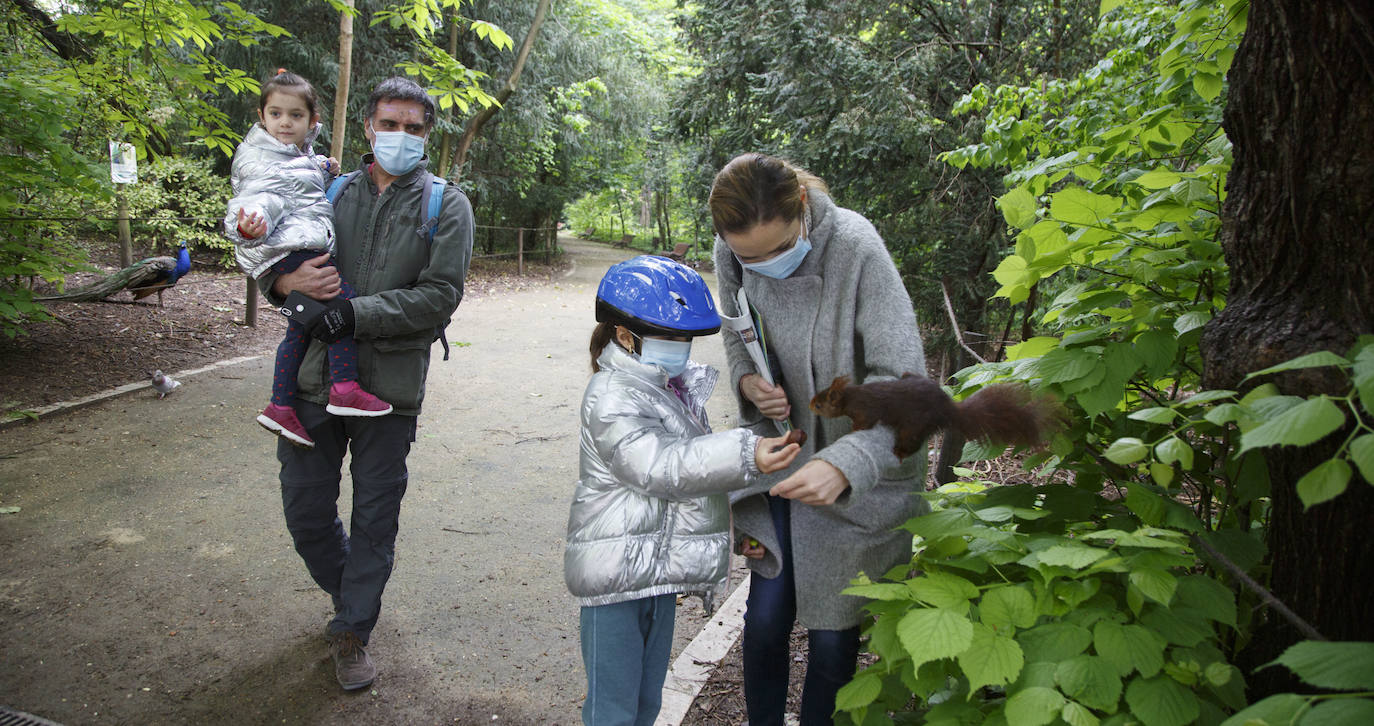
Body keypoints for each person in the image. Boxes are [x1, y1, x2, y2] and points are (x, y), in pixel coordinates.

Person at [257, 76, 474, 691]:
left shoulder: (445, 205)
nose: (399, 137)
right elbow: (276, 252)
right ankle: (355, 588)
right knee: (305, 512)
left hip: (391, 392)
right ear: (368, 125)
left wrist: (355, 313)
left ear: (427, 135)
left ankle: (352, 630)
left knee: (376, 517)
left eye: (412, 128)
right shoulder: (326, 188)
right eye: (389, 123)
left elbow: (440, 296)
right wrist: (282, 287)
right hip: (308, 383)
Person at [709, 152, 929, 725]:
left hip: (861, 466)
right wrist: (750, 383)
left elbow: (904, 380)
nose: (764, 266)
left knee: (833, 639)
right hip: (782, 453)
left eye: (780, 251)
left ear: (801, 209)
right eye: (748, 258)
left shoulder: (855, 246)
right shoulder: (732, 252)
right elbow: (738, 332)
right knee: (763, 623)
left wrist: (847, 463)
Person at [564, 255, 803, 726]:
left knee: (646, 703)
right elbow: (660, 467)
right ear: (624, 335)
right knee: (612, 710)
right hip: (614, 580)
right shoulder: (611, 394)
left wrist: (733, 528)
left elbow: (695, 481)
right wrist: (745, 454)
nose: (680, 350)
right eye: (668, 339)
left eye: (685, 340)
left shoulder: (670, 389)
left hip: (656, 572)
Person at [223, 70, 393, 449]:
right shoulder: (261, 159)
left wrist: (322, 167)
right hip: (291, 252)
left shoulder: (294, 154)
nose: (285, 122)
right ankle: (344, 387)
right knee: (342, 309)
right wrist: (252, 225)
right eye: (276, 114)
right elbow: (265, 195)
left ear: (311, 121)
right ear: (262, 116)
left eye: (295, 115)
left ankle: (280, 405)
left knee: (299, 328)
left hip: (298, 246)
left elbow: (296, 179)